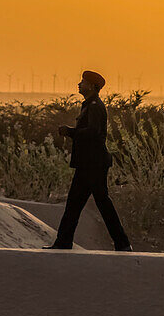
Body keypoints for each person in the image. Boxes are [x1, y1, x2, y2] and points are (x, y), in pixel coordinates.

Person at [45, 70, 133, 252]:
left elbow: (93, 132)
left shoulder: (94, 106)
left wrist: (70, 131)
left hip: (93, 165)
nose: (79, 84)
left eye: (83, 82)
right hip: (88, 164)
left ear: (92, 87)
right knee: (76, 204)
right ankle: (64, 242)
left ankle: (122, 243)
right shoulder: (90, 105)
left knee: (97, 203)